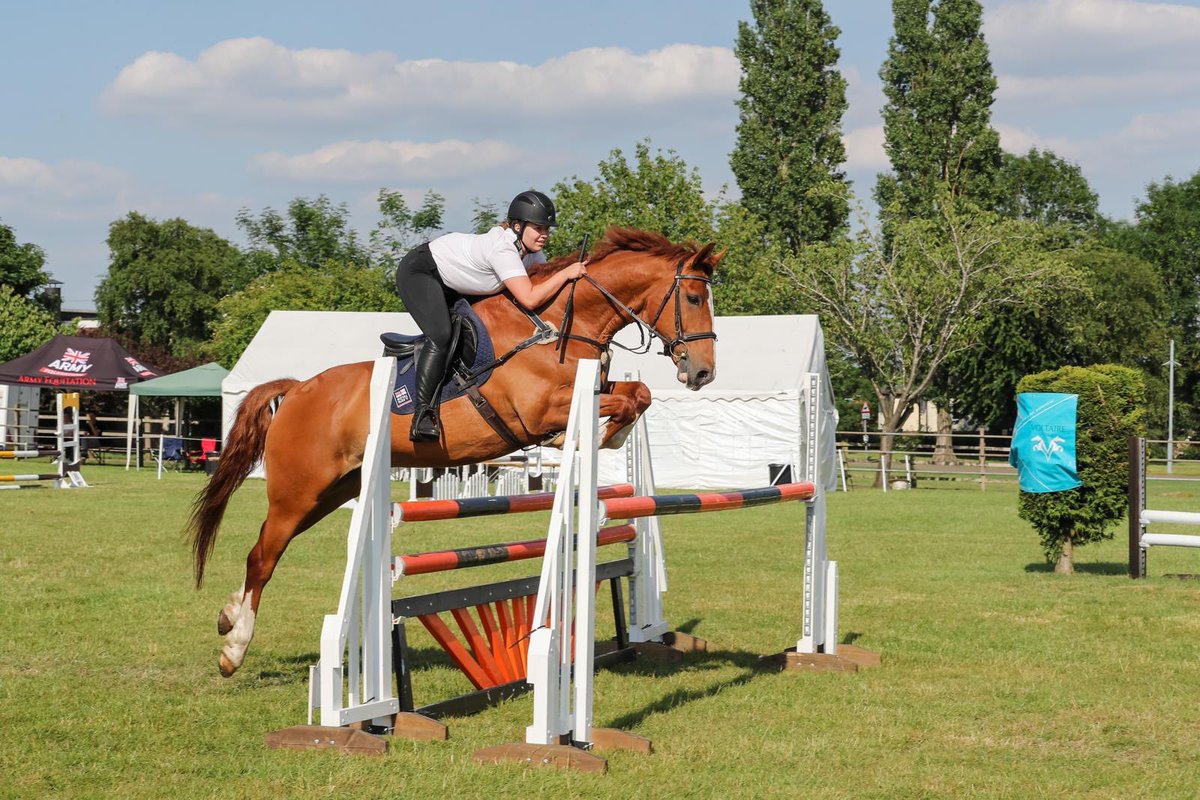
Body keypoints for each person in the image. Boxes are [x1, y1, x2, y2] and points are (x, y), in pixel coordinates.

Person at [394, 190, 587, 442]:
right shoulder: (503, 249)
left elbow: (542, 295)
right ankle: (423, 413)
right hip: (422, 273)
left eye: (547, 229)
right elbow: (530, 298)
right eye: (539, 228)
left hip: (454, 282)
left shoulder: (532, 255)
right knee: (442, 335)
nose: (545, 235)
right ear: (517, 226)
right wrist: (566, 273)